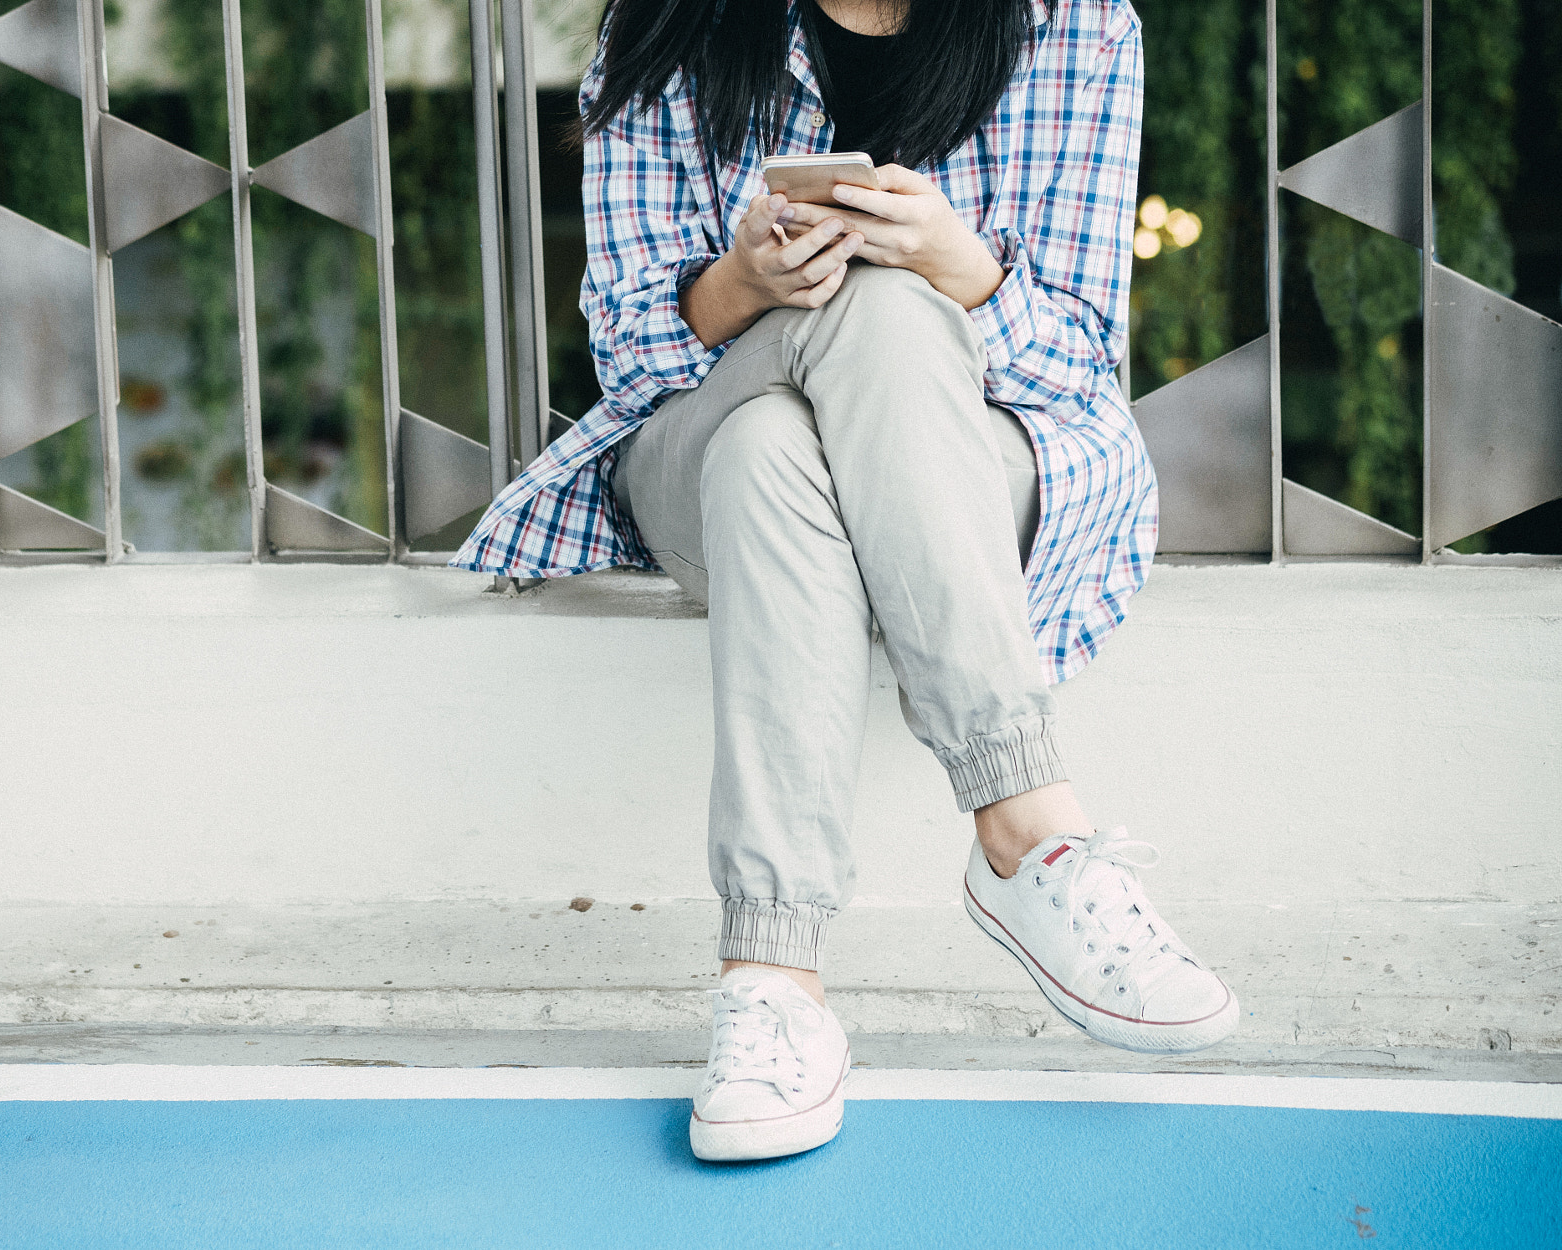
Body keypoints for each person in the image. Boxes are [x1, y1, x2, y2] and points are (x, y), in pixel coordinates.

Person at [454, 0, 1237, 1162]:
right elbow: (628, 350)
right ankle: (1026, 831)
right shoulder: (668, 23)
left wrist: (956, 267)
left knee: (783, 443)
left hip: (977, 461)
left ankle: (771, 975)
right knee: (842, 328)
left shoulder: (1074, 25)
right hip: (693, 439)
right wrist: (744, 279)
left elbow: (1075, 357)